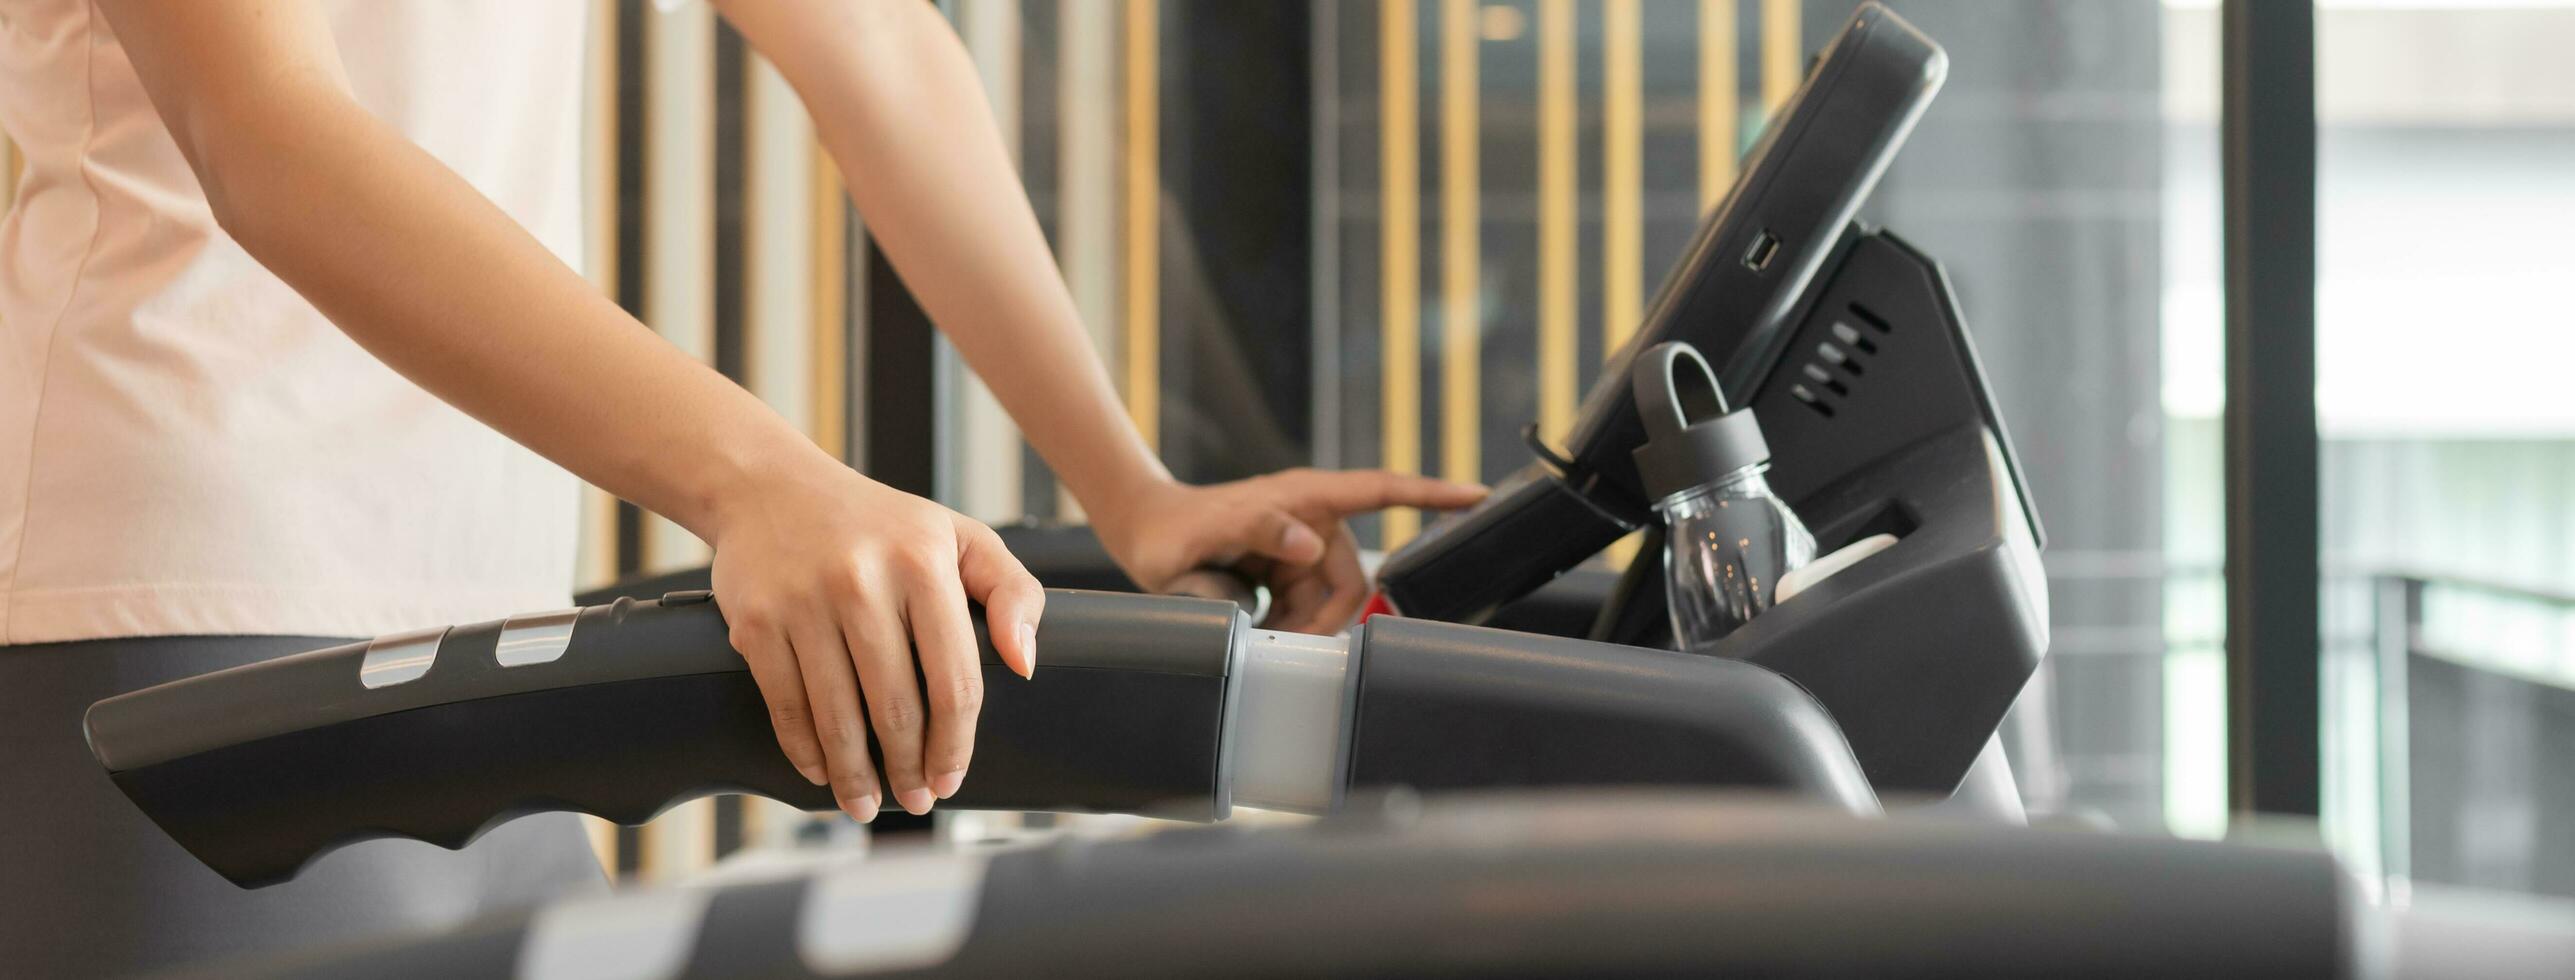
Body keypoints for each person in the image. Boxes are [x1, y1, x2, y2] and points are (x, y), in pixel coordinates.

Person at [0, 0, 1481, 974]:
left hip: (469, 590)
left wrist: (1131, 489)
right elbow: (264, 128)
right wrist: (759, 480)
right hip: (183, 566)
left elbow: (872, 50)